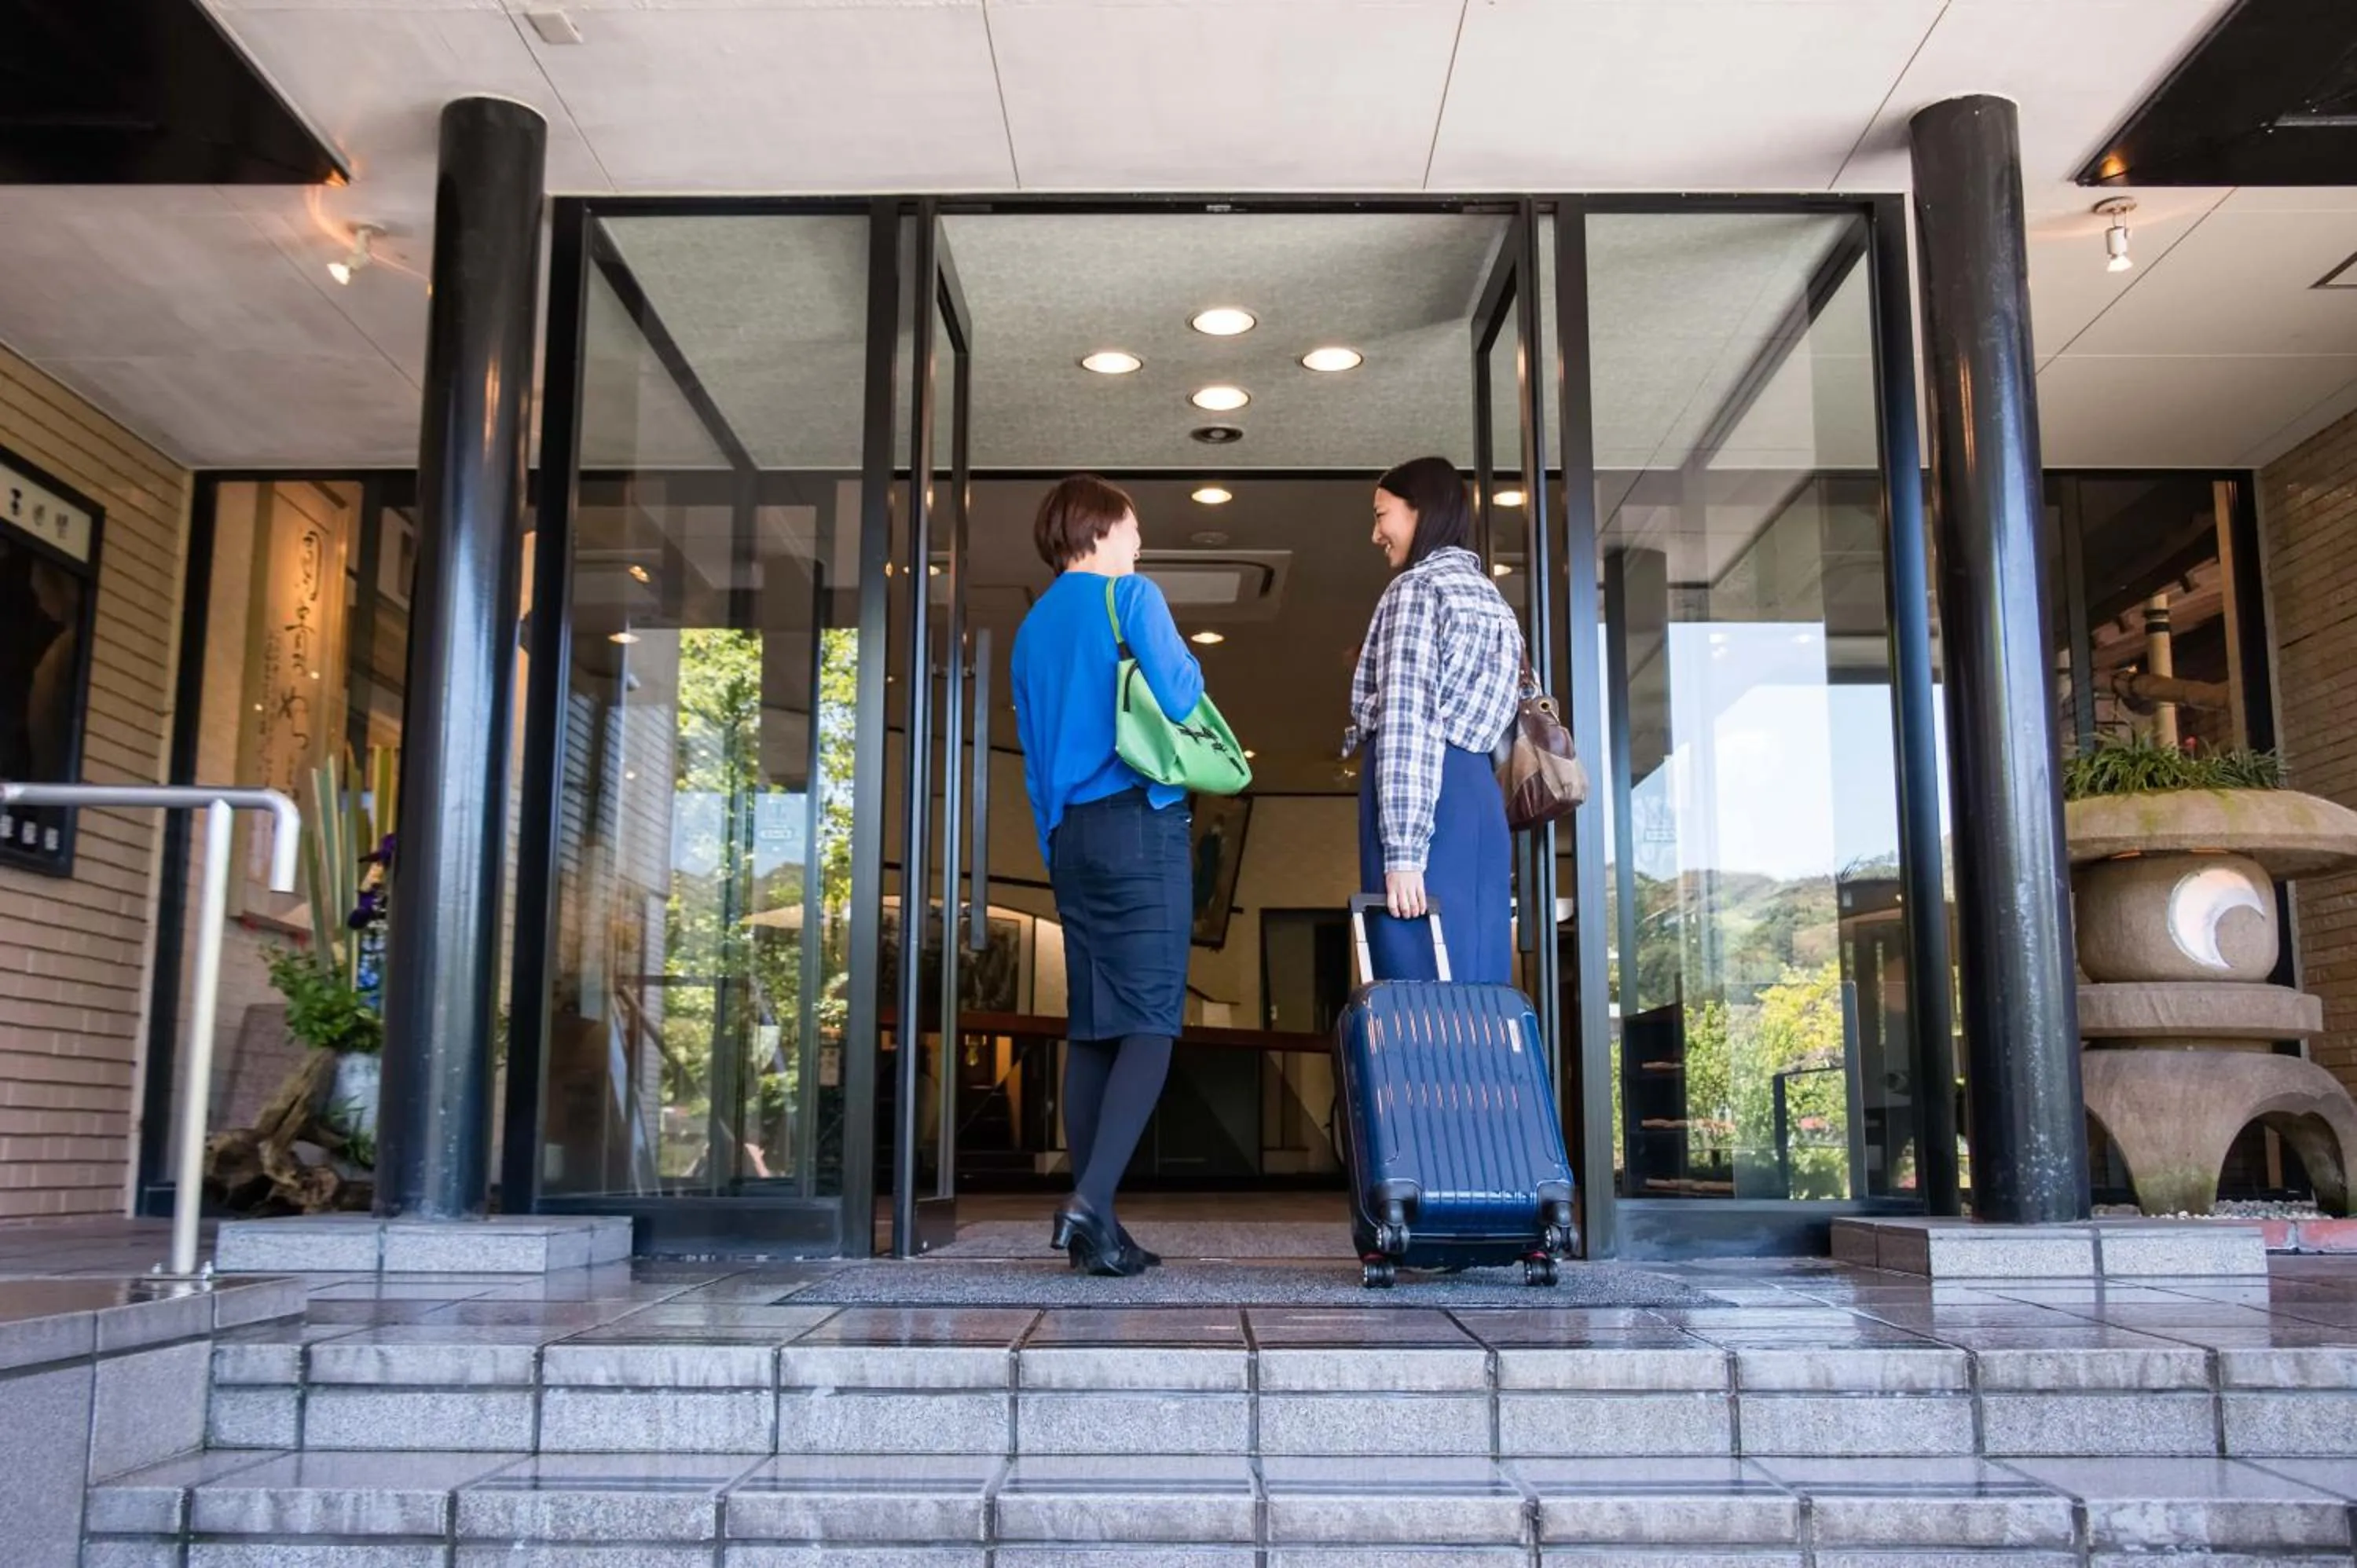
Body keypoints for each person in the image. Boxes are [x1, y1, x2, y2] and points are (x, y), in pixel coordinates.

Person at [1011, 474, 1204, 1277]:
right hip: (1137, 821)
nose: (1139, 543)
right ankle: (1088, 1201)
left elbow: (1032, 762)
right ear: (1099, 530)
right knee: (1153, 1020)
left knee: (1093, 1025)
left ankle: (1103, 1232)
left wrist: (1056, 843)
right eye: (1132, 528)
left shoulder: (1029, 629)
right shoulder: (1129, 596)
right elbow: (1183, 695)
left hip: (1070, 839)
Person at [1345, 456, 1526, 984]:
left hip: (1427, 803)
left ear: (1419, 510)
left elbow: (1410, 719)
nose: (1377, 533)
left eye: (1383, 515)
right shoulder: (1492, 601)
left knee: (1418, 997)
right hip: (1474, 799)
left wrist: (1403, 853)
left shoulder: (1416, 590)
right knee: (1476, 989)